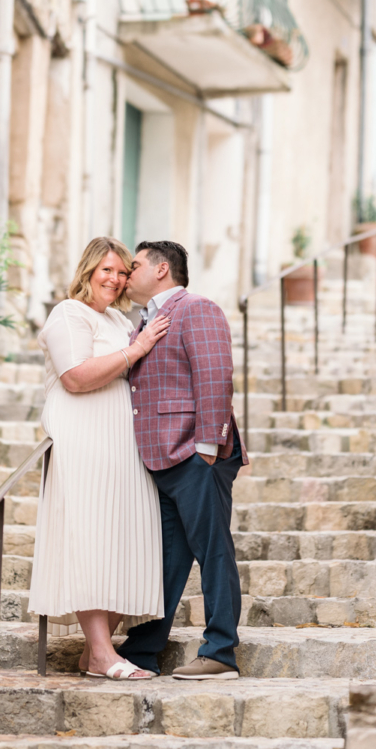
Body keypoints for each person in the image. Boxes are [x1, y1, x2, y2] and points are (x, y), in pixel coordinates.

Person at [28, 237, 170, 681]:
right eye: (105, 270)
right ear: (88, 271)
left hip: (122, 446)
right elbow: (75, 377)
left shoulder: (115, 317)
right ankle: (104, 655)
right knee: (89, 541)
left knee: (119, 543)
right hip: (84, 441)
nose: (115, 278)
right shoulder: (69, 313)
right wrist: (137, 348)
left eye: (122, 271)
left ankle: (95, 653)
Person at [117, 239, 247, 680]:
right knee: (169, 556)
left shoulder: (197, 308)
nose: (124, 274)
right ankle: (144, 649)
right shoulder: (144, 322)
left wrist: (208, 446)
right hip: (161, 457)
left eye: (133, 266)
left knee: (213, 551)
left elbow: (215, 374)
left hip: (195, 454)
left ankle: (221, 652)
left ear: (161, 269)